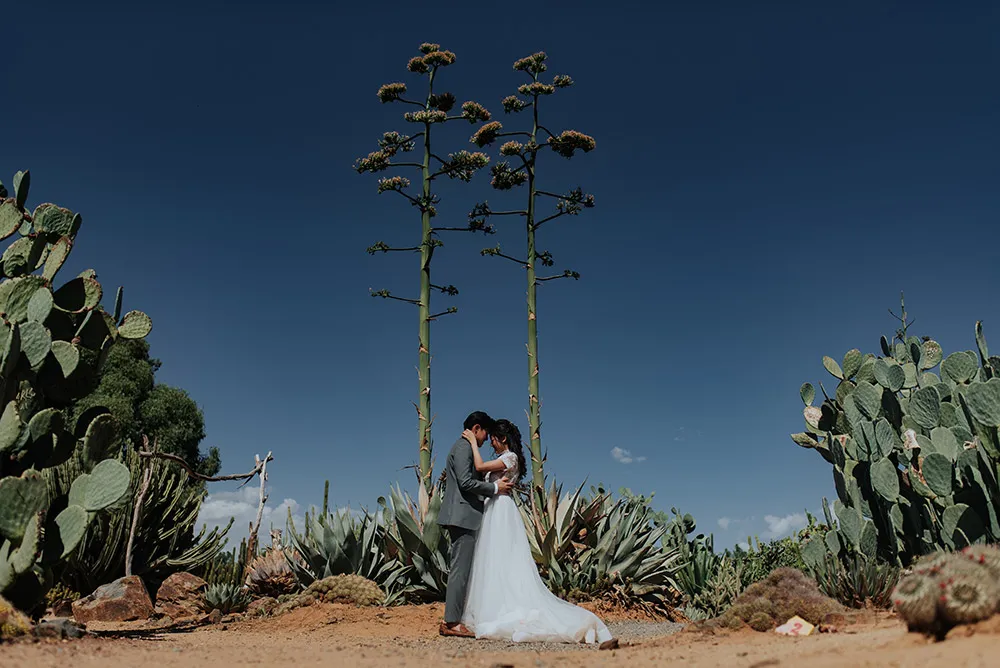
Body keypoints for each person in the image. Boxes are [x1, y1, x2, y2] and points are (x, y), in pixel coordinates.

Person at [460, 419, 613, 644]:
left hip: (501, 508)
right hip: (493, 507)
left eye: (493, 439)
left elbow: (481, 467)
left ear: (503, 438)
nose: (491, 443)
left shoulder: (509, 457)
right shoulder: (504, 457)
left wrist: (473, 443)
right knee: (493, 558)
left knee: (501, 555)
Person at [436, 411, 515, 638]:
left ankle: (455, 618)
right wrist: (494, 488)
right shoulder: (463, 448)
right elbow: (466, 481)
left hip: (465, 515)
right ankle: (451, 622)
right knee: (460, 569)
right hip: (462, 515)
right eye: (485, 434)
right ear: (477, 428)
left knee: (464, 568)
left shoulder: (465, 447)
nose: (484, 439)